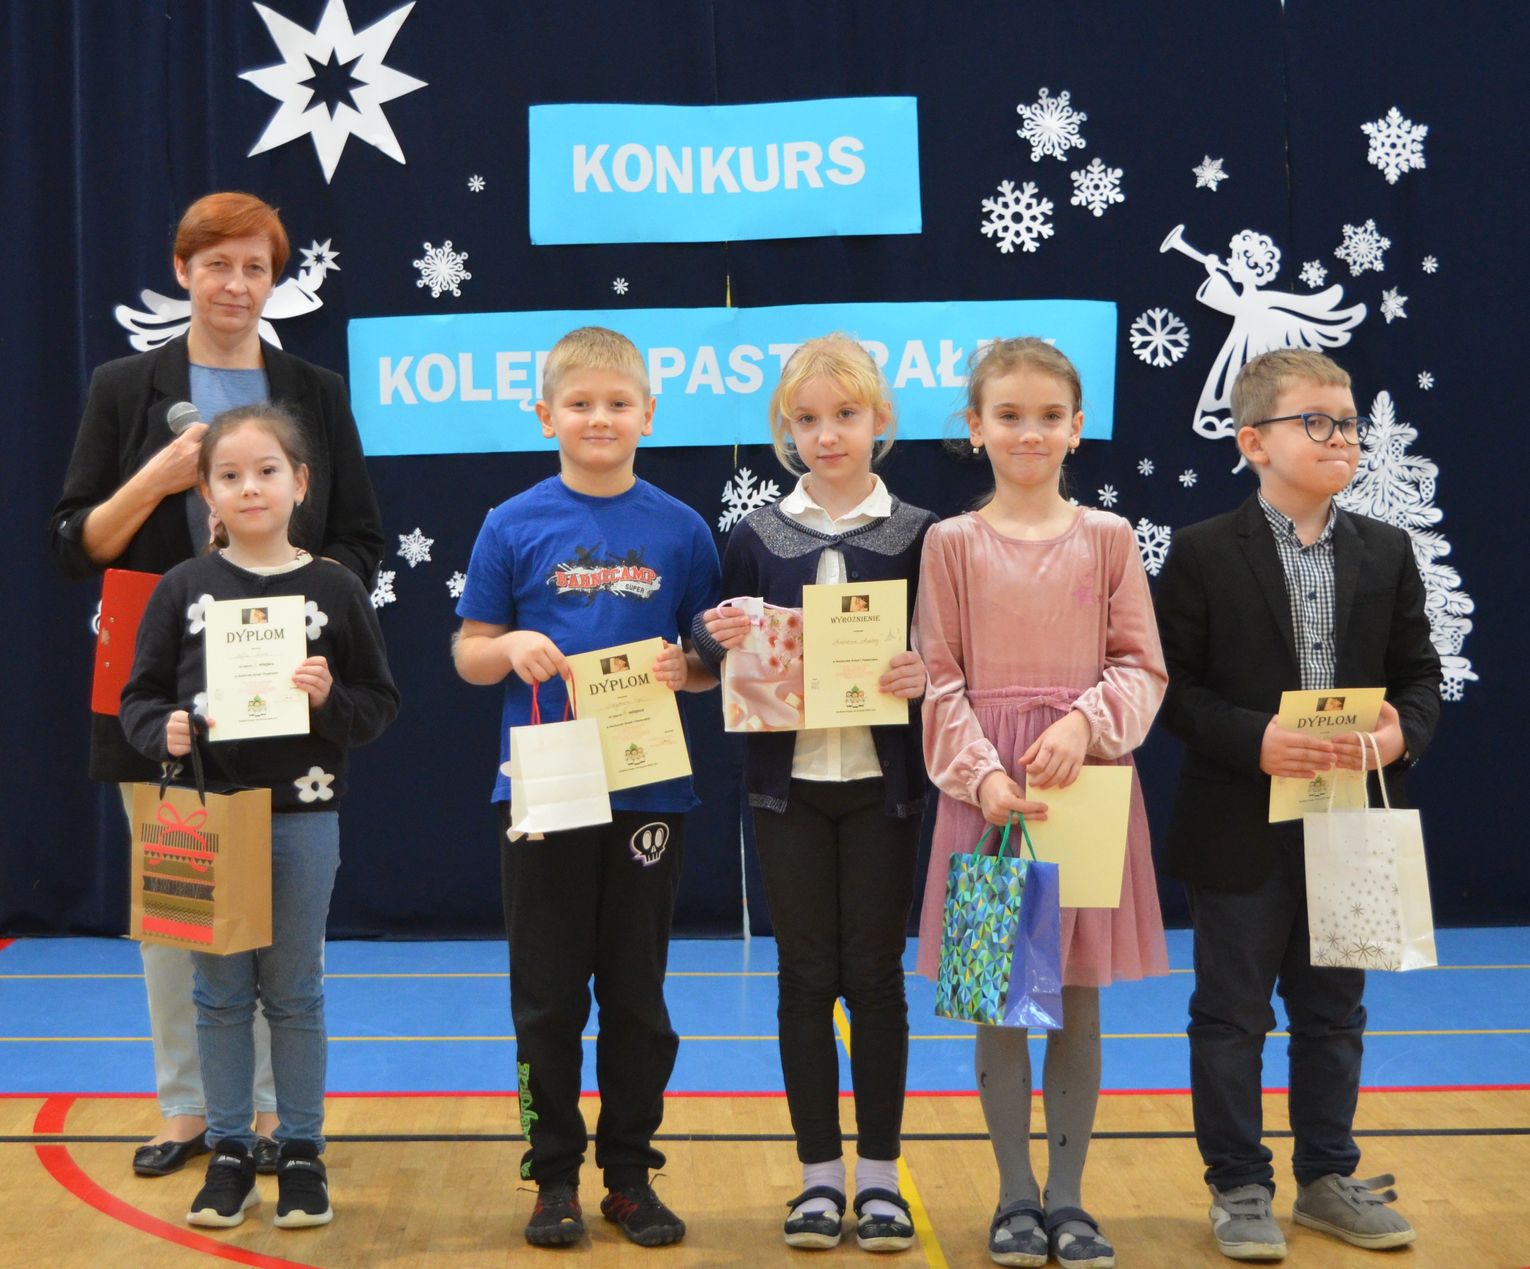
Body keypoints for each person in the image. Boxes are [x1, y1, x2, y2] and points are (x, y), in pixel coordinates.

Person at [48, 191, 383, 1178]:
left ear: (275, 281)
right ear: (182, 271)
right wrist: (157, 480)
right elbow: (75, 544)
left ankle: (271, 1116)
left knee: (278, 915)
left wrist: (297, 613)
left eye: (255, 268)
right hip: (161, 691)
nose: (235, 285)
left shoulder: (313, 390)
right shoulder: (124, 387)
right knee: (177, 906)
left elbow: (359, 537)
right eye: (217, 265)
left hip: (282, 695)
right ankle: (188, 1107)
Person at [1154, 348, 1440, 1259]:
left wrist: (1399, 736)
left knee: (1334, 1012)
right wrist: (1256, 739)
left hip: (1351, 818)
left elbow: (1420, 678)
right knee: (1232, 1014)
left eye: (1348, 422)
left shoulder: (1386, 550)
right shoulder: (1202, 551)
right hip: (1238, 821)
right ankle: (1239, 1184)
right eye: (1316, 421)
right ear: (1253, 443)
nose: (1340, 437)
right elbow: (1172, 690)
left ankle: (1326, 1176)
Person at [452, 326, 721, 1249]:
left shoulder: (683, 529)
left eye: (617, 403)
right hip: (545, 788)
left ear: (649, 413)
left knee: (638, 997)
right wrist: (510, 646)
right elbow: (468, 653)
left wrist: (688, 669)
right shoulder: (512, 522)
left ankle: (631, 1175)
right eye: (579, 403)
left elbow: (710, 662)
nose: (598, 418)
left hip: (648, 791)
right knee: (548, 997)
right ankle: (554, 1177)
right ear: (546, 416)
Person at [913, 338, 1169, 1269]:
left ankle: (1069, 1196)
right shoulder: (950, 543)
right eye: (1010, 415)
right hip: (989, 795)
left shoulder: (1109, 537)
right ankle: (1015, 1193)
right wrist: (983, 776)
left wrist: (1085, 724)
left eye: (1049, 416)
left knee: (1077, 1002)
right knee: (1001, 999)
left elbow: (1141, 666)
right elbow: (939, 679)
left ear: (1077, 426)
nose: (1030, 433)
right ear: (975, 426)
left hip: (1082, 790)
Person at [119, 404, 399, 1228]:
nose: (250, 487)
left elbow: (379, 705)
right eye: (230, 474)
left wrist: (329, 699)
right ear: (206, 492)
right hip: (208, 817)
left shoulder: (334, 588)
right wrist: (163, 730)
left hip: (303, 817)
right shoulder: (183, 588)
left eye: (267, 470)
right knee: (216, 993)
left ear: (300, 483)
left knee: (295, 990)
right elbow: (138, 698)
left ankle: (301, 1151)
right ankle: (232, 1151)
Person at [692, 334, 935, 1253]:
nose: (827, 434)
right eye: (807, 419)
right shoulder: (756, 535)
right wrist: (713, 634)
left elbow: (949, 650)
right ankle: (818, 1176)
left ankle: (881, 1177)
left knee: (874, 978)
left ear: (881, 420)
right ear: (784, 429)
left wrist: (924, 670)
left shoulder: (922, 533)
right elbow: (714, 640)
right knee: (803, 977)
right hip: (785, 789)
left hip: (883, 788)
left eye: (845, 415)